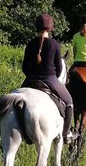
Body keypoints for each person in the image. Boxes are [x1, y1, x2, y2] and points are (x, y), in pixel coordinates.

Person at [22, 13, 78, 144]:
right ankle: (66, 134)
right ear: (50, 28)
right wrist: (53, 77)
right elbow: (59, 68)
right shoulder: (54, 44)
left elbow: (24, 68)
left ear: (36, 27)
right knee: (69, 102)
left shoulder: (30, 44)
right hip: (50, 79)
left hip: (30, 80)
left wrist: (31, 76)